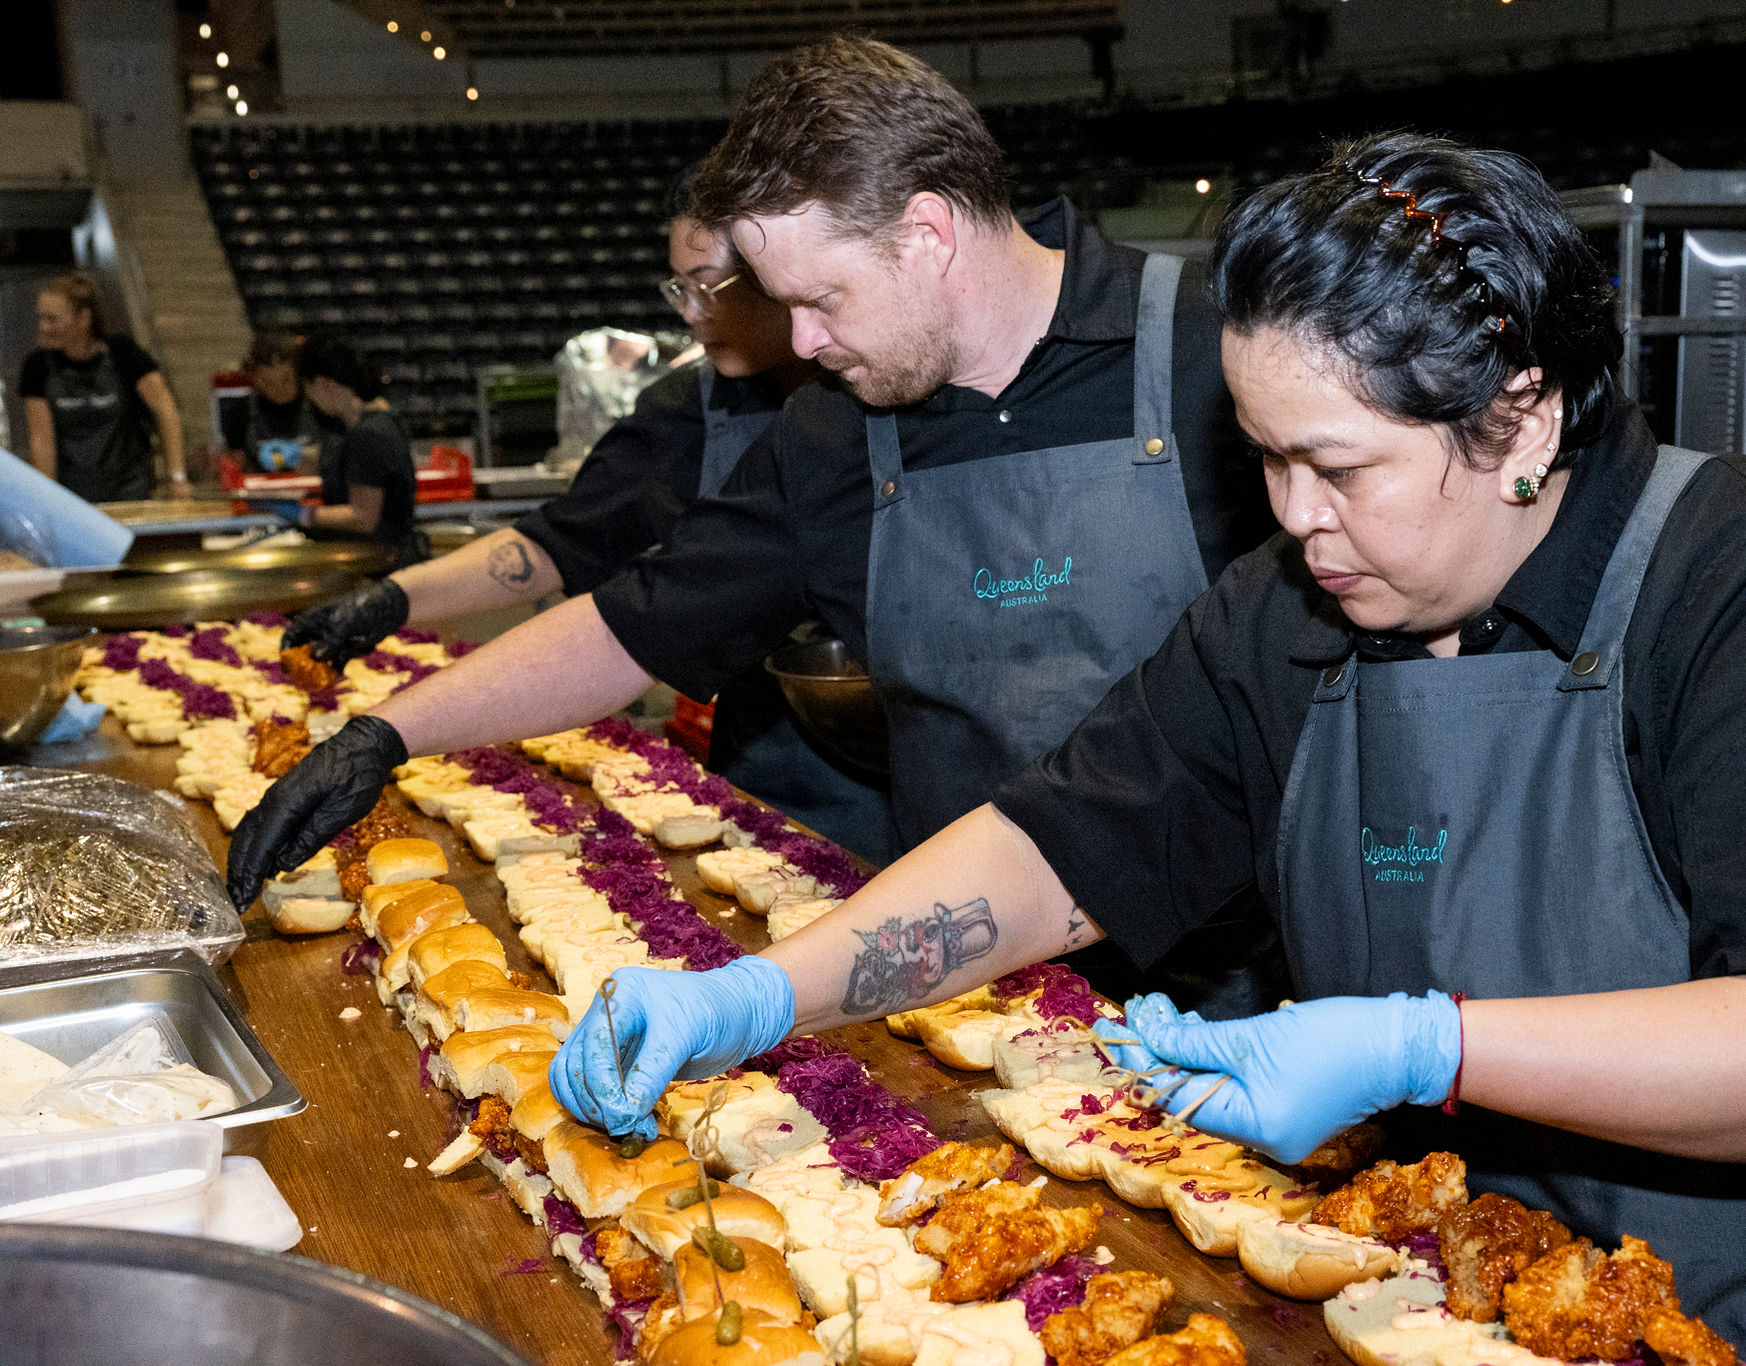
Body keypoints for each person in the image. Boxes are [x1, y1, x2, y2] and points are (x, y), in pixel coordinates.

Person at [537, 134, 1746, 1364]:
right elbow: (1063, 844)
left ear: (1520, 417)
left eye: (1337, 466)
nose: (1292, 516)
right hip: (1474, 1306)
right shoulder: (1290, 611)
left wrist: (1424, 1044)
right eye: (1262, 456)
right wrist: (760, 992)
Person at [226, 36, 1284, 1011]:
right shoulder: (833, 431)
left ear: (925, 232)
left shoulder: (1216, 351)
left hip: (1241, 982)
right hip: (958, 976)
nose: (804, 341)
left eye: (821, 298)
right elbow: (635, 625)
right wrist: (391, 731)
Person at [278, 189, 895, 859]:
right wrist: (396, 599)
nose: (691, 316)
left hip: (909, 752)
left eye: (711, 288)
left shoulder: (885, 391)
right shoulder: (688, 413)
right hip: (773, 759)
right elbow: (564, 548)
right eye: (679, 290)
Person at [19, 271, 188, 502]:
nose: (44, 327)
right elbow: (42, 441)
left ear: (84, 318)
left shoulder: (123, 352)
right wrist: (46, 500)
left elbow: (166, 410)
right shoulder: (37, 365)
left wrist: (176, 479)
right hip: (74, 499)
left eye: (52, 319)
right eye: (41, 318)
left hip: (130, 492)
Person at [294, 334, 422, 559]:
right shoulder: (379, 420)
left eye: (309, 389)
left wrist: (303, 514)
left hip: (378, 560)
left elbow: (363, 517)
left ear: (324, 384)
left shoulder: (368, 434)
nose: (310, 399)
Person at [222, 331, 331, 473]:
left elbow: (338, 455)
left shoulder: (320, 405)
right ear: (257, 381)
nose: (279, 389)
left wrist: (305, 456)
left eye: (285, 380)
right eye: (269, 383)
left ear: (297, 373)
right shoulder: (241, 412)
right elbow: (234, 464)